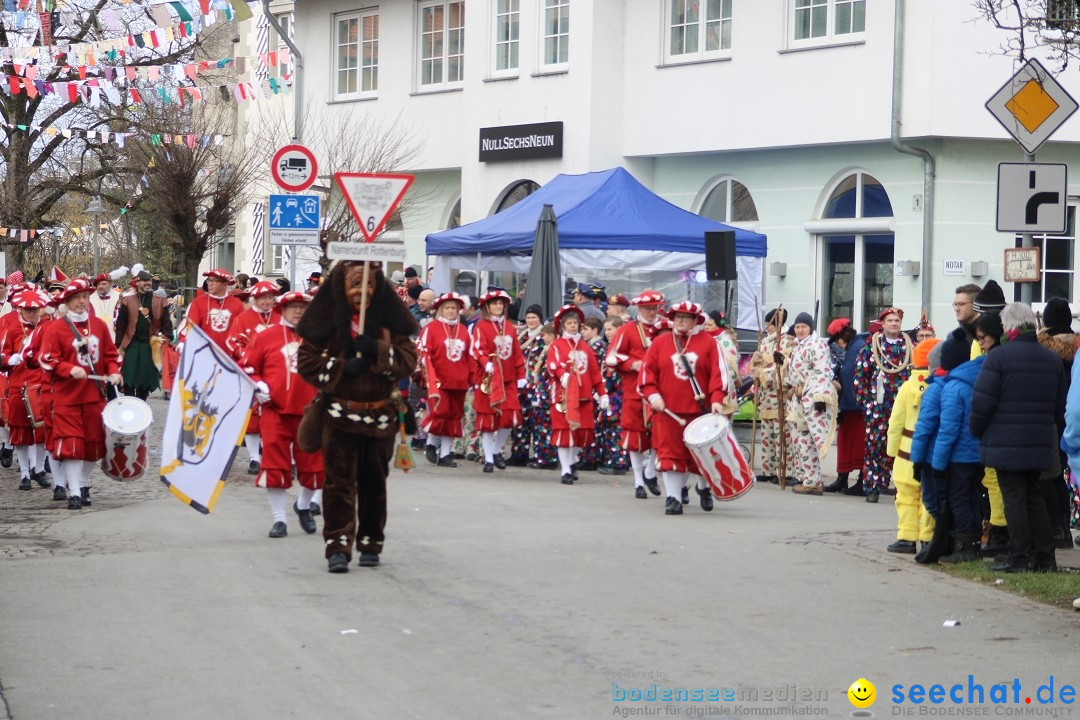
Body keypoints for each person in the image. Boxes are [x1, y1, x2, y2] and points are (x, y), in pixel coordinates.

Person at [295, 261, 419, 573]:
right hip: (338, 416)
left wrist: (377, 349)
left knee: (374, 483)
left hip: (380, 418)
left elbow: (408, 362)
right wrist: (339, 368)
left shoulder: (390, 326)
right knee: (338, 483)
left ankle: (370, 541)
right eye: (355, 287)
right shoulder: (326, 326)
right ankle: (337, 544)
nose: (362, 294)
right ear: (342, 290)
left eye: (368, 287)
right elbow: (306, 362)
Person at [971, 303, 1064, 573]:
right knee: (1033, 497)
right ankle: (1045, 558)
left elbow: (982, 404)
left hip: (1005, 442)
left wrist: (977, 431)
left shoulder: (998, 358)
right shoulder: (1051, 359)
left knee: (1014, 499)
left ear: (1008, 327)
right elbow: (1058, 408)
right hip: (1039, 441)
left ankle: (1018, 556)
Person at [241, 291, 323, 538]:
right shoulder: (265, 336)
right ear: (283, 310)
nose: (298, 311)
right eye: (293, 307)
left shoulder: (320, 339)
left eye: (302, 307)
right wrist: (258, 385)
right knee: (275, 464)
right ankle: (279, 520)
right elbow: (247, 367)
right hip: (274, 410)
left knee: (315, 465)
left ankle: (303, 505)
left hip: (310, 412)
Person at [38, 278, 123, 510]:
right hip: (67, 398)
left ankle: (84, 484)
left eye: (85, 297)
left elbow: (109, 356)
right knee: (72, 445)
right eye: (76, 298)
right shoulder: (55, 328)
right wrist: (68, 369)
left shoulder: (99, 325)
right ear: (67, 301)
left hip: (94, 396)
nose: (81, 302)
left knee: (93, 445)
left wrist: (114, 372)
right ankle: (73, 491)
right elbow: (46, 359)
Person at [640, 301, 727, 515]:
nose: (680, 320)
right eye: (677, 316)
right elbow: (646, 374)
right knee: (670, 455)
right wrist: (653, 396)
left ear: (695, 320)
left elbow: (719, 375)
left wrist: (716, 399)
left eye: (685, 317)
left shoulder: (709, 343)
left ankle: (703, 488)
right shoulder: (660, 343)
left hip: (699, 412)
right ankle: (673, 498)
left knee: (700, 457)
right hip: (668, 411)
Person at [606, 290, 664, 498]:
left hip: (661, 392)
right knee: (634, 436)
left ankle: (650, 472)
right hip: (635, 391)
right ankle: (638, 481)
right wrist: (633, 364)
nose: (651, 312)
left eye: (654, 308)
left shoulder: (665, 328)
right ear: (639, 308)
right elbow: (611, 358)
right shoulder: (628, 329)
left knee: (662, 434)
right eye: (648, 309)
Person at [885, 338, 941, 553]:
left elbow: (896, 421)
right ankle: (928, 537)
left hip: (906, 451)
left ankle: (907, 537)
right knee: (929, 496)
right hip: (931, 450)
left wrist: (891, 451)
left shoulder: (907, 387)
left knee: (906, 496)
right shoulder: (939, 386)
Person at [854, 307, 914, 502]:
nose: (894, 324)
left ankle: (901, 487)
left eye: (897, 320)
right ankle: (872, 487)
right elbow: (860, 379)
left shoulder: (909, 348)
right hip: (878, 406)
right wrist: (867, 404)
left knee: (902, 447)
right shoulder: (871, 347)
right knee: (875, 447)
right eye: (890, 320)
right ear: (883, 323)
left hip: (903, 405)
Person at [546, 305, 608, 485]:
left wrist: (602, 393)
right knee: (565, 433)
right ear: (563, 326)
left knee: (582, 434)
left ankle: (572, 461)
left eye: (576, 323)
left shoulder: (585, 347)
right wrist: (562, 375)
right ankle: (565, 470)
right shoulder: (557, 345)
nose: (573, 326)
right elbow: (552, 365)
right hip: (562, 397)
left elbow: (595, 373)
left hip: (584, 396)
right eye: (570, 323)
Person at [1035, 297, 1078, 550]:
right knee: (1063, 477)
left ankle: (1056, 530)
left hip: (1054, 416)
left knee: (1049, 475)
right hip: (1073, 417)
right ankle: (1063, 529)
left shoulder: (1044, 349)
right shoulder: (1077, 347)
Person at [226, 280, 281, 473]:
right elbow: (233, 342)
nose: (267, 302)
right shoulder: (243, 318)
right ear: (255, 299)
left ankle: (270, 453)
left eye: (270, 298)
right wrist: (248, 357)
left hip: (276, 373)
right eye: (263, 298)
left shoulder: (279, 318)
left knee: (275, 414)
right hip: (250, 373)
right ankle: (253, 458)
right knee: (252, 417)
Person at [779, 312, 837, 495]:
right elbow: (798, 371)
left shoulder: (816, 344)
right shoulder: (799, 346)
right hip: (799, 398)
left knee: (807, 439)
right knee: (799, 440)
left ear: (811, 328)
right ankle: (807, 477)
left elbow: (822, 372)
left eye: (803, 326)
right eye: (797, 327)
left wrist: (819, 396)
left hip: (812, 397)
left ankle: (813, 482)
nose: (800, 330)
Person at [470, 289, 526, 473]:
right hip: (488, 379)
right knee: (487, 420)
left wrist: (521, 374)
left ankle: (496, 451)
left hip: (508, 378)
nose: (498, 307)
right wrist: (486, 364)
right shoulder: (481, 326)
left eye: (500, 304)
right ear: (487, 306)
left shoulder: (509, 326)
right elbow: (478, 349)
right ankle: (488, 458)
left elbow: (516, 352)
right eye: (494, 303)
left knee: (510, 416)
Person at [4, 287, 51, 491]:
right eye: (28, 310)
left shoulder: (48, 326)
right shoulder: (10, 326)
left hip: (41, 383)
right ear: (20, 309)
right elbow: (2, 353)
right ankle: (24, 472)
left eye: (35, 310)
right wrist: (7, 359)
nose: (32, 313)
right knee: (20, 431)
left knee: (41, 430)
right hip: (18, 384)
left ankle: (38, 469)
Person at [418, 292, 472, 467]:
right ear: (441, 309)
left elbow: (470, 356)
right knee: (439, 413)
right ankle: (431, 443)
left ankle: (446, 454)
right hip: (439, 380)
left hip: (459, 380)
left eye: (454, 308)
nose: (450, 311)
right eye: (447, 308)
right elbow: (423, 351)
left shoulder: (463, 331)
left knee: (453, 416)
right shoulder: (431, 328)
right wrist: (428, 372)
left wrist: (472, 377)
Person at [749, 309, 796, 485]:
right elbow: (761, 363)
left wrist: (762, 371)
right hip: (766, 394)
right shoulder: (765, 341)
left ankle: (784, 469)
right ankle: (767, 469)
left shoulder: (785, 340)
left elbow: (780, 365)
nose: (767, 328)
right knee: (767, 433)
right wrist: (756, 363)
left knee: (780, 434)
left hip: (778, 392)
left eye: (769, 324)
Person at [114, 269, 173, 402]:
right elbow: (121, 324)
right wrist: (119, 345)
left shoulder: (160, 301)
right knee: (128, 379)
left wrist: (165, 338)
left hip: (150, 347)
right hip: (131, 345)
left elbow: (166, 324)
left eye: (149, 281)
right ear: (137, 282)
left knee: (145, 382)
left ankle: (141, 407)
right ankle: (130, 405)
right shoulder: (127, 300)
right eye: (145, 281)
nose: (148, 283)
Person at [826, 318, 862, 493]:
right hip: (851, 406)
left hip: (856, 407)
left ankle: (860, 482)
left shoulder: (856, 348)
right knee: (846, 442)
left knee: (859, 444)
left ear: (841, 339)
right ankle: (843, 478)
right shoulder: (854, 347)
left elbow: (852, 377)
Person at [509, 304, 546, 466]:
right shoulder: (522, 336)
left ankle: (542, 456)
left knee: (538, 422)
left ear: (540, 319)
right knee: (520, 421)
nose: (530, 320)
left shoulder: (544, 336)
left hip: (537, 384)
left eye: (534, 317)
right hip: (521, 384)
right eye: (529, 317)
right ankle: (519, 454)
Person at [179, 269, 245, 350]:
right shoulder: (198, 302)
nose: (210, 284)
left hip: (228, 354)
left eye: (214, 281)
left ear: (224, 284)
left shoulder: (236, 303)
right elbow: (191, 326)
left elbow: (241, 330)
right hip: (205, 353)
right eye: (209, 280)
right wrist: (183, 342)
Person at [89, 270, 124, 336]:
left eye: (104, 284)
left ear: (110, 285)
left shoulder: (119, 297)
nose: (100, 286)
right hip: (95, 335)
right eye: (99, 284)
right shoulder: (90, 298)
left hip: (114, 335)